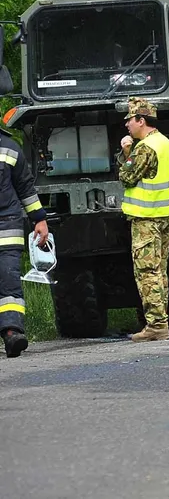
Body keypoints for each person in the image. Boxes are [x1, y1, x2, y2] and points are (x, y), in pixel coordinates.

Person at [118, 97, 169, 342]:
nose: (127, 126)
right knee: (160, 271)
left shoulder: (145, 147)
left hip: (146, 219)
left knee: (147, 272)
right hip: (164, 215)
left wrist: (126, 152)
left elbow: (127, 176)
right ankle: (160, 320)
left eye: (130, 120)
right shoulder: (166, 143)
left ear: (141, 120)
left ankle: (156, 325)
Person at [0, 122, 50, 357]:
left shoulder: (9, 148)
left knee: (9, 283)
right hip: (7, 225)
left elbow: (25, 187)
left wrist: (39, 219)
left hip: (6, 228)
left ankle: (12, 333)